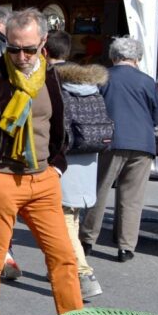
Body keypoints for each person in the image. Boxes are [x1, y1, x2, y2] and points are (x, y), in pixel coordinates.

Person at [0, 8, 82, 315]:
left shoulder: (50, 75)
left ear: (43, 42)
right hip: (1, 180)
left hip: (44, 180)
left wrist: (57, 167)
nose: (20, 55)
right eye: (13, 48)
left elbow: (57, 125)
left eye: (28, 48)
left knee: (64, 258)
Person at [79, 36, 158, 262]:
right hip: (143, 143)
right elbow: (157, 116)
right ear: (136, 58)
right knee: (132, 196)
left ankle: (87, 240)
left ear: (113, 56)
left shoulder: (103, 78)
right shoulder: (147, 81)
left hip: (111, 142)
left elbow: (92, 110)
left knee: (99, 190)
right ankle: (126, 246)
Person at [45, 30, 105, 300]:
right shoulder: (90, 84)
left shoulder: (50, 81)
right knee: (72, 214)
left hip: (62, 156)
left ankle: (84, 273)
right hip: (89, 154)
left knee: (64, 217)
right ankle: (61, 266)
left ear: (45, 51)